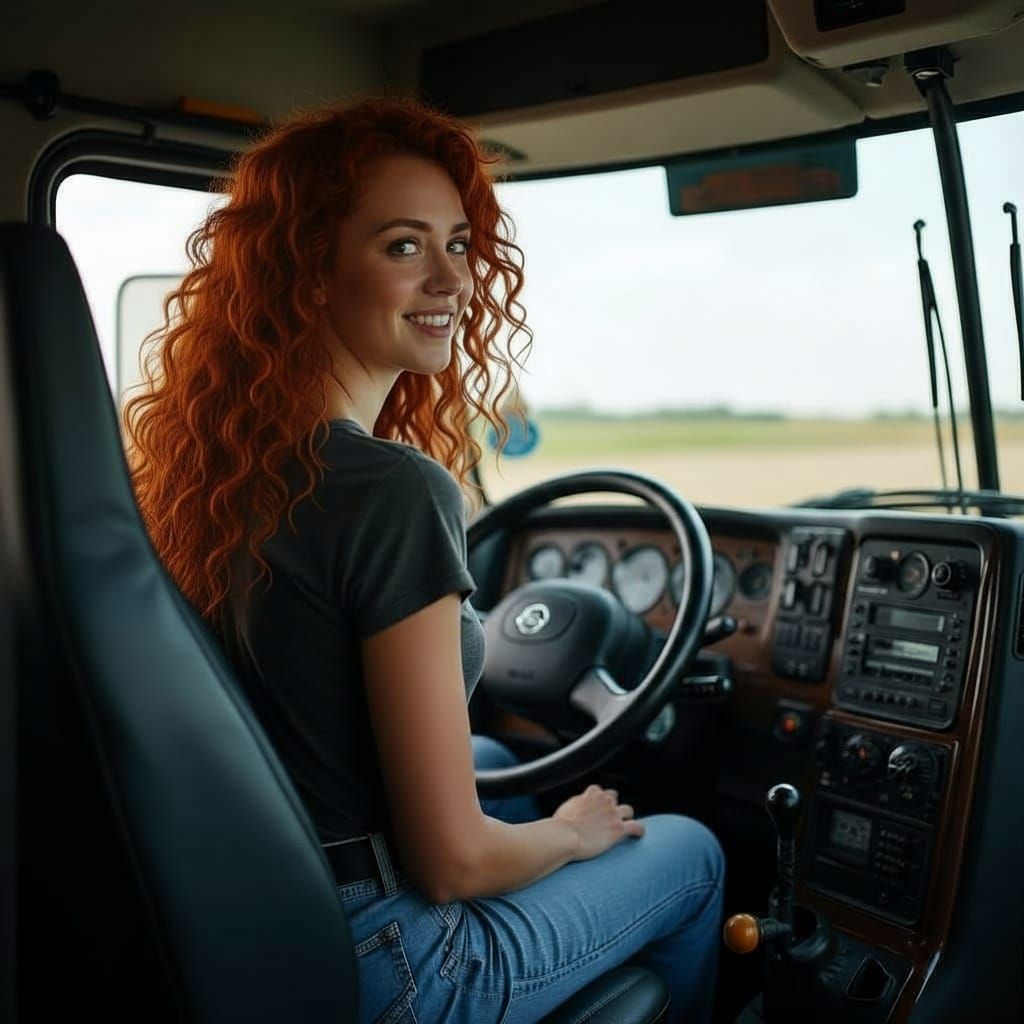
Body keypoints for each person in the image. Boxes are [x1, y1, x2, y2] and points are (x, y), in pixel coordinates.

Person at [124, 96, 725, 1024]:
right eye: (404, 246)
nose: (453, 278)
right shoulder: (391, 490)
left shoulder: (215, 472)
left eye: (458, 244)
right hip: (390, 962)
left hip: (261, 912)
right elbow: (453, 864)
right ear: (310, 272)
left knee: (490, 755)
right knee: (687, 849)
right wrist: (571, 836)